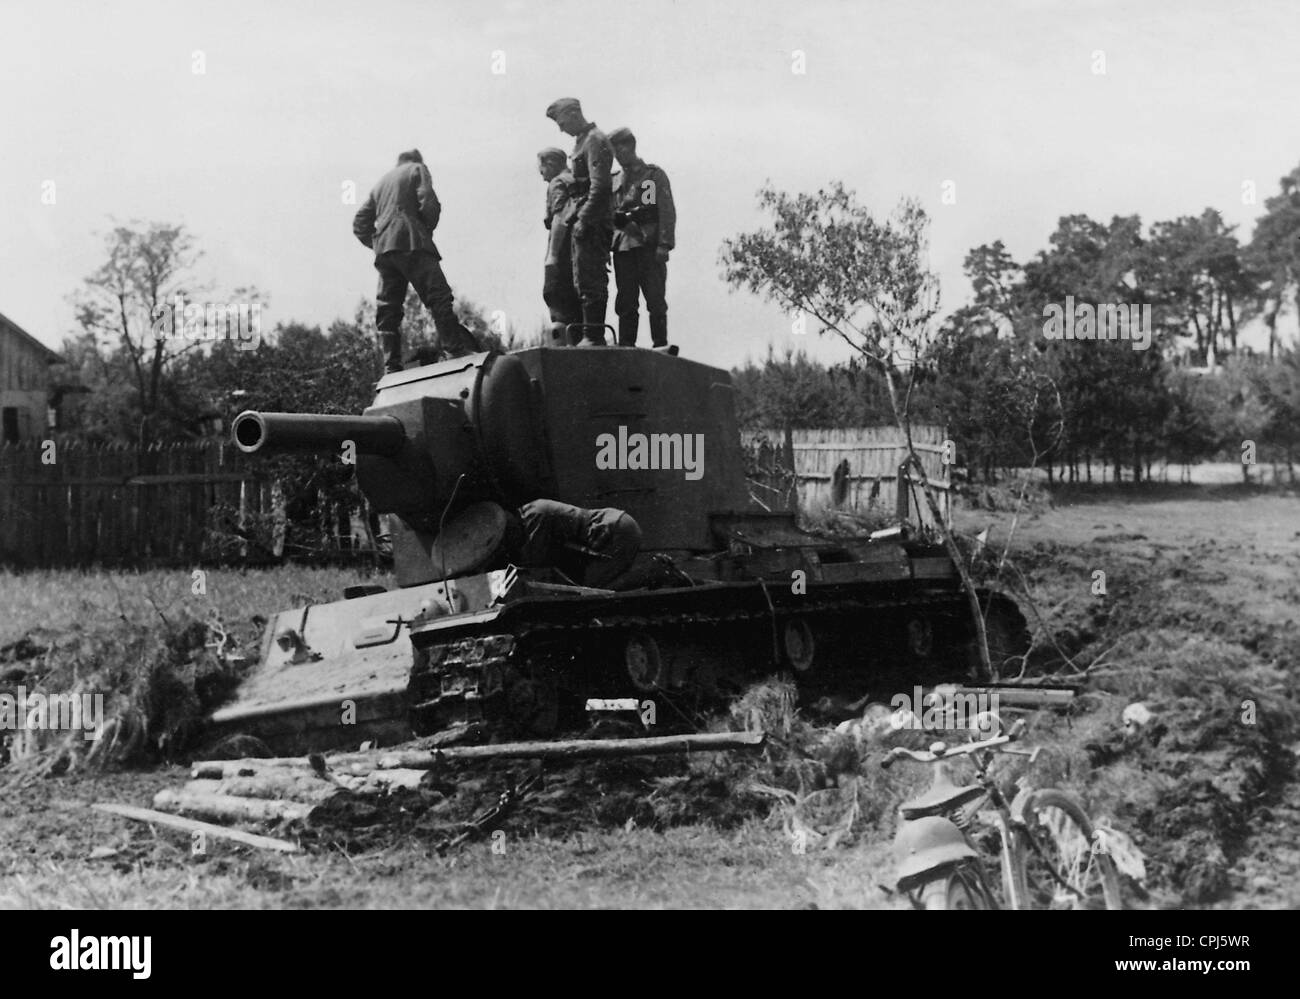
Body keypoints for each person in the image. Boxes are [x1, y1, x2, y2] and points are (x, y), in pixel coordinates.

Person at [352, 149, 481, 373]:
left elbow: (359, 223)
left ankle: (391, 366)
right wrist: (425, 229)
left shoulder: (381, 182)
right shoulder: (417, 169)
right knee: (438, 296)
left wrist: (378, 243)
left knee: (388, 310)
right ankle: (455, 350)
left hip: (385, 253)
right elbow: (428, 201)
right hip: (412, 241)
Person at [545, 98, 614, 346]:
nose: (561, 129)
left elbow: (600, 185)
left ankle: (593, 336)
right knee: (581, 279)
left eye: (562, 122)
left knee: (591, 278)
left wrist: (584, 219)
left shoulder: (594, 139)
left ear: (574, 114)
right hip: (582, 217)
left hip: (592, 220)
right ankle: (588, 335)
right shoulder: (582, 142)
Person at [608, 127, 676, 348]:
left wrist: (664, 244)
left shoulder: (650, 176)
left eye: (620, 150)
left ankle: (660, 344)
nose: (618, 157)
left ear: (631, 146)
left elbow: (661, 211)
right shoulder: (615, 181)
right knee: (626, 300)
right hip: (622, 247)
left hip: (647, 244)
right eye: (614, 153)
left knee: (655, 299)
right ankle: (627, 345)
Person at [515, 499, 642, 589]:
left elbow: (535, 566)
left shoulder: (535, 516)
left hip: (615, 530)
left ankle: (651, 574)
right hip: (617, 525)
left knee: (592, 595)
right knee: (597, 591)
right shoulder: (533, 510)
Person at [537, 147, 582, 344]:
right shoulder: (577, 181)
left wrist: (552, 255)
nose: (543, 177)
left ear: (551, 164)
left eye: (542, 170)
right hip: (580, 252)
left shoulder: (558, 183)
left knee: (554, 295)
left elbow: (559, 218)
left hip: (563, 251)